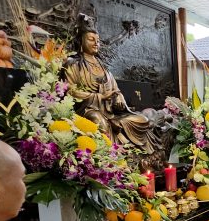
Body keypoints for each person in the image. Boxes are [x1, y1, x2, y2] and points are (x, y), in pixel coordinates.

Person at [62, 16, 160, 155]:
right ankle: (111, 158)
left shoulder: (103, 67)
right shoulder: (73, 64)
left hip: (111, 111)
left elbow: (115, 89)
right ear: (80, 41)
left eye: (98, 40)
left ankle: (127, 146)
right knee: (98, 121)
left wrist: (118, 97)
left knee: (142, 119)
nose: (96, 43)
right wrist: (100, 97)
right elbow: (70, 91)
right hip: (89, 110)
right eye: (91, 39)